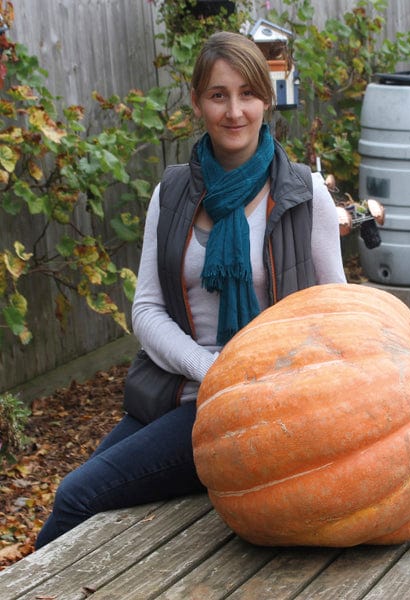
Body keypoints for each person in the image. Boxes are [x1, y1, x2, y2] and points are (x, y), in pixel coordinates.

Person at [35, 31, 346, 549]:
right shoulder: (173, 190)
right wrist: (208, 369)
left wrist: (235, 381)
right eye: (218, 95)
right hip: (173, 395)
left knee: (77, 498)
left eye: (247, 94)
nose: (234, 111)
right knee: (82, 509)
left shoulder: (301, 192)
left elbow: (336, 308)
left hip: (252, 409)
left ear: (266, 100)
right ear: (198, 101)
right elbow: (148, 310)